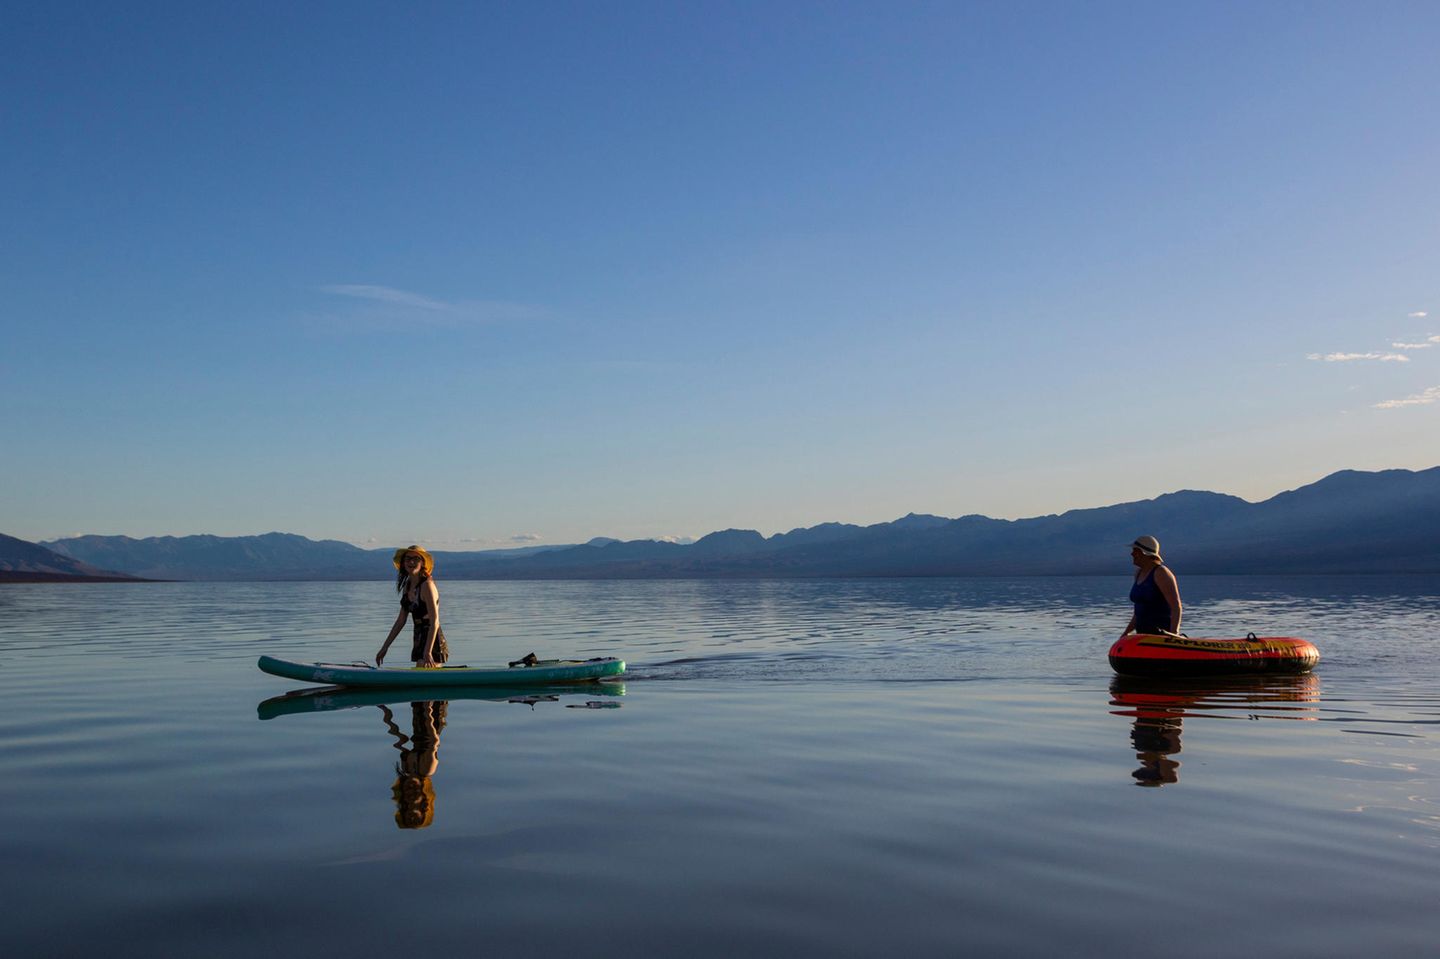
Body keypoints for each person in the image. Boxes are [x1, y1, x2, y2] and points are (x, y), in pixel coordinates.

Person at [377, 545, 449, 667]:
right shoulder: (407, 586)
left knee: (424, 670)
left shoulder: (427, 586)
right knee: (420, 668)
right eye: (408, 559)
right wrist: (385, 647)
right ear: (403, 563)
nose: (411, 562)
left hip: (432, 639)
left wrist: (428, 651)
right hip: (418, 636)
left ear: (422, 563)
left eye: (416, 559)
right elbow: (400, 621)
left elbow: (435, 622)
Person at [1120, 535, 1182, 638]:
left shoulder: (1161, 573)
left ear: (1144, 553)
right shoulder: (1138, 573)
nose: (1132, 554)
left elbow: (1176, 607)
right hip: (1143, 636)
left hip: (1161, 635)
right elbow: (1138, 612)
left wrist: (1174, 635)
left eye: (1135, 550)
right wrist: (1126, 633)